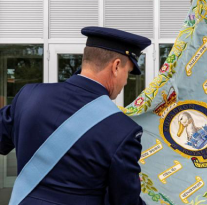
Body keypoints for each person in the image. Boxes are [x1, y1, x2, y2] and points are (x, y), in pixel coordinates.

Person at [0, 26, 151, 205]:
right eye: (127, 72)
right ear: (116, 66)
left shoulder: (28, 96)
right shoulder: (124, 130)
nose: (126, 81)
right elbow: (125, 201)